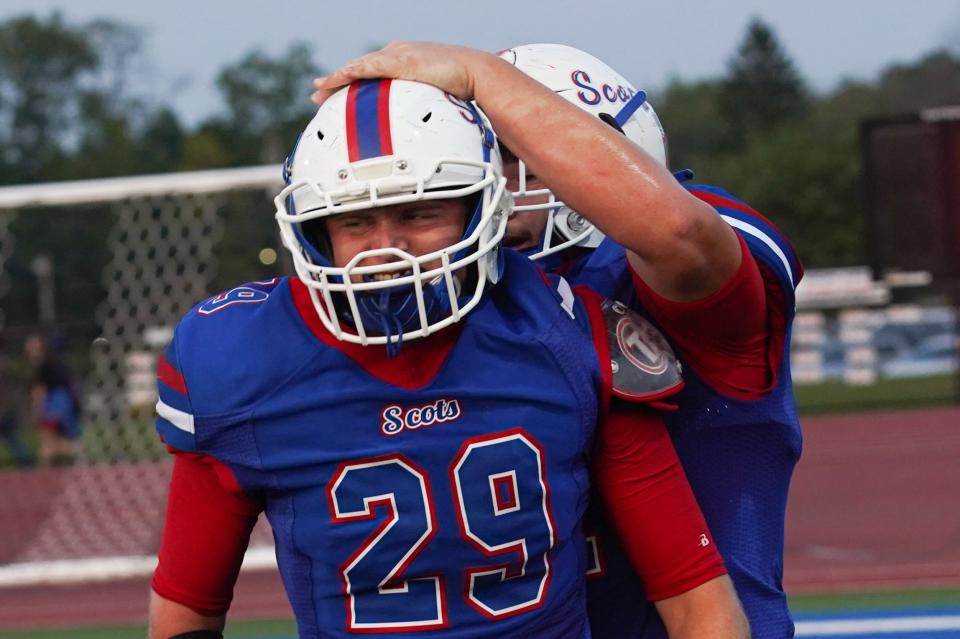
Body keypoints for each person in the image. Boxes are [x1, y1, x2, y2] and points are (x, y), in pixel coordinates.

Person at [149, 80, 747, 639]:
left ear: (481, 208)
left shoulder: (568, 335)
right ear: (314, 230)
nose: (388, 250)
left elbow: (696, 597)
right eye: (355, 220)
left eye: (418, 213)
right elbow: (188, 610)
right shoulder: (243, 361)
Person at [313, 42, 803, 638]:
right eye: (487, 167)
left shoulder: (671, 259)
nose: (503, 195)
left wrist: (480, 76)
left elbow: (677, 233)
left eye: (528, 164)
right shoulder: (458, 310)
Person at [24, 333, 82, 466]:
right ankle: (48, 466)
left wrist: (37, 411)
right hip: (63, 404)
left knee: (47, 441)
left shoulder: (43, 367)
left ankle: (78, 450)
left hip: (54, 405)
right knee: (48, 442)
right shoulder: (56, 364)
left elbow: (39, 393)